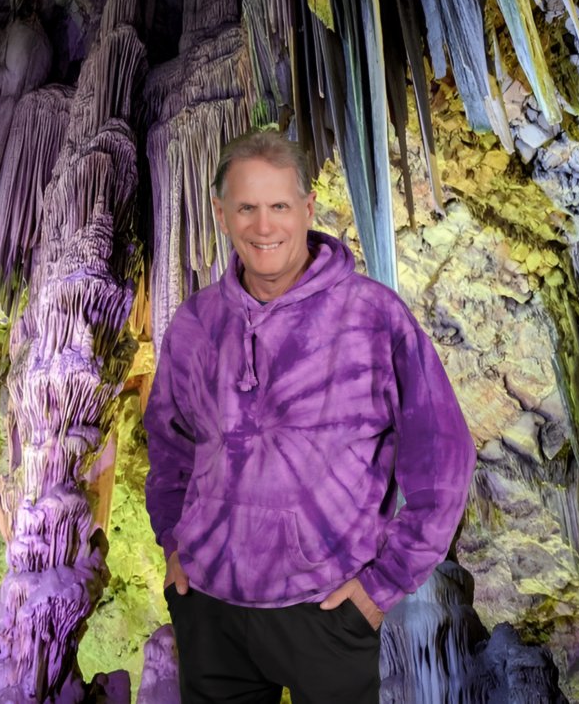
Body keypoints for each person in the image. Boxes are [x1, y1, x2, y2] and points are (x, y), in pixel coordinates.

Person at [144, 130, 476, 703]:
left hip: (328, 610)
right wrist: (175, 544)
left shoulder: (372, 316)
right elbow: (169, 444)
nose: (263, 226)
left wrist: (383, 585)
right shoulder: (196, 323)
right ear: (221, 214)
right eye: (246, 207)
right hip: (210, 609)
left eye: (279, 206)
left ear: (307, 208)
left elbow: (444, 457)